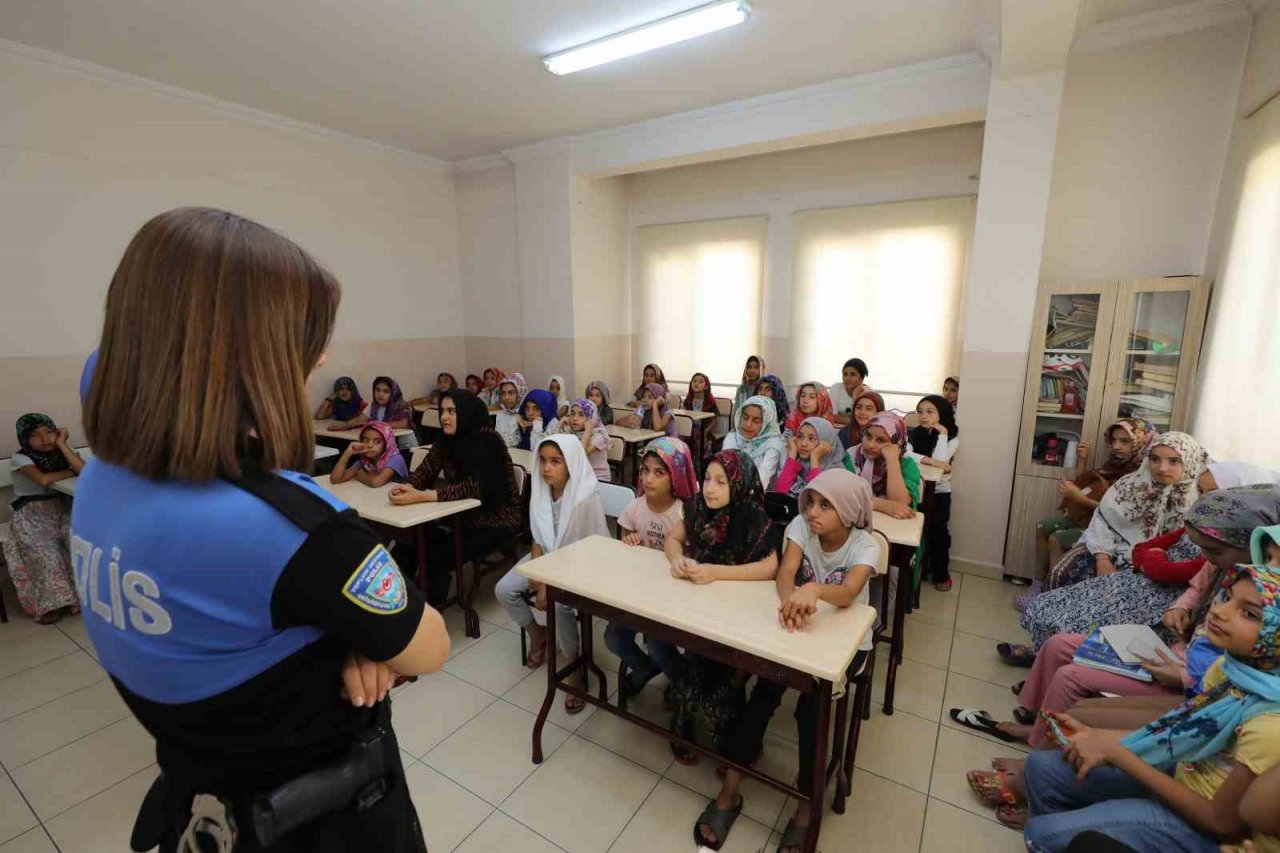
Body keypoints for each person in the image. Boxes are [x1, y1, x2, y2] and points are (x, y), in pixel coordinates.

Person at [72, 207, 449, 851]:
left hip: (198, 791)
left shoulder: (101, 479)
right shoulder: (290, 529)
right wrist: (359, 637)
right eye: (303, 339)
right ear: (249, 356)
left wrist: (343, 632)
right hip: (312, 820)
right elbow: (429, 646)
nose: (321, 356)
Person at [1018, 558, 1280, 853]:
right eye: (1227, 597)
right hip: (1183, 773)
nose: (1219, 611)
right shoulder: (1229, 669)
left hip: (1203, 828)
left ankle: (1072, 835)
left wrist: (1116, 751)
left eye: (1249, 613)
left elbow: (1221, 823)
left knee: (1041, 833)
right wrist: (1102, 738)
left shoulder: (1270, 724)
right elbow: (1185, 733)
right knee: (1041, 768)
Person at [693, 469, 878, 852]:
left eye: (825, 505)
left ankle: (806, 807)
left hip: (844, 643)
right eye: (811, 502)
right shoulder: (801, 527)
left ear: (849, 511)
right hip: (796, 626)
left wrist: (813, 591)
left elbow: (849, 592)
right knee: (762, 694)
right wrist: (791, 601)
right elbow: (786, 572)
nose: (813, 511)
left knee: (812, 712)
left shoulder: (865, 545)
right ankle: (730, 790)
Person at [665, 450, 778, 769]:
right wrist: (677, 559)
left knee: (721, 691)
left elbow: (769, 568)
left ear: (739, 484)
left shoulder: (754, 516)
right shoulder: (698, 508)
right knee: (688, 681)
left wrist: (718, 572)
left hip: (740, 617)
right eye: (706, 479)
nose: (710, 489)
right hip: (701, 609)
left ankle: (732, 749)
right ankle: (684, 724)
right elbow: (672, 541)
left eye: (721, 482)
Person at [494, 435, 608, 713]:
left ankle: (574, 666)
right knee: (504, 589)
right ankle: (538, 634)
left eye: (555, 462)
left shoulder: (585, 497)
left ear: (571, 464)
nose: (546, 468)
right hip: (548, 557)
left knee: (559, 605)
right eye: (543, 460)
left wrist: (547, 585)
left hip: (581, 564)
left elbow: (588, 553)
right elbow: (538, 536)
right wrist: (537, 575)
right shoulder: (542, 490)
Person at [1034, 432, 1209, 598]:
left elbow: (1185, 551)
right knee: (1062, 572)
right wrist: (1102, 559)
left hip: (1158, 566)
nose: (1162, 468)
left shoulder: (1198, 499)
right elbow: (1103, 519)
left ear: (1190, 461)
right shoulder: (1130, 484)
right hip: (1110, 548)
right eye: (1155, 459)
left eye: (1174, 461)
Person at [389, 390, 522, 605]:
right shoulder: (445, 439)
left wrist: (424, 496)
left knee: (435, 556)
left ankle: (427, 613)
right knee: (407, 545)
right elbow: (426, 470)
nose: (444, 417)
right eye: (442, 411)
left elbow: (475, 488)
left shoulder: (489, 440)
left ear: (466, 412)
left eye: (452, 411)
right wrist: (407, 487)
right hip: (461, 515)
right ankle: (397, 605)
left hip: (495, 520)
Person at [606, 437, 697, 695]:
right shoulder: (635, 507)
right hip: (638, 591)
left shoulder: (684, 513)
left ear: (676, 475)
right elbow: (625, 540)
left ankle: (679, 682)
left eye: (659, 472)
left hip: (671, 596)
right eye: (645, 470)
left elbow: (692, 555)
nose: (648, 479)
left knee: (657, 645)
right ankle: (645, 668)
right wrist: (630, 540)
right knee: (613, 638)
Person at [1033, 418, 1156, 588]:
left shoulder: (1141, 477)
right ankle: (1037, 585)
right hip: (1086, 517)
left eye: (1124, 441)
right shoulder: (1112, 465)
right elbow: (1088, 486)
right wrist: (1082, 460)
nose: (1116, 446)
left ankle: (1053, 592)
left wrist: (1080, 498)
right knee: (1042, 527)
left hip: (1108, 529)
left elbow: (1117, 515)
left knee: (1056, 539)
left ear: (1141, 442)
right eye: (1113, 440)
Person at [3, 414, 84, 623]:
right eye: (35, 435)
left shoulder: (62, 452)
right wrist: (70, 470)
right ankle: (51, 604)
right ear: (24, 438)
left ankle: (82, 597)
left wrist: (63, 444)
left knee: (77, 542)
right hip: (32, 513)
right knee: (45, 554)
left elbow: (84, 471)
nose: (45, 439)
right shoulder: (20, 458)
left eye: (49, 432)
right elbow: (43, 479)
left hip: (62, 508)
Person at [909, 395, 960, 591]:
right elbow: (907, 454)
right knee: (915, 530)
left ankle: (941, 574)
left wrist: (943, 433)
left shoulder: (952, 439)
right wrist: (932, 462)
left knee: (938, 532)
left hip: (939, 492)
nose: (923, 416)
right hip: (916, 488)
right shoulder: (913, 433)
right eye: (920, 411)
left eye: (929, 412)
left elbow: (942, 460)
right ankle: (916, 570)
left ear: (942, 413)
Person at [847, 411, 920, 519]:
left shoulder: (906, 465)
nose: (871, 445)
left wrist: (892, 460)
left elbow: (900, 504)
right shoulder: (852, 456)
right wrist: (883, 505)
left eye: (881, 440)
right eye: (868, 436)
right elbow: (845, 496)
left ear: (897, 443)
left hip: (894, 525)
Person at [721, 396, 786, 490]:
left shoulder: (774, 444)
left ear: (766, 423)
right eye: (745, 418)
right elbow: (724, 470)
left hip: (761, 495)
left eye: (756, 421)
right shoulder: (733, 438)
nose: (748, 424)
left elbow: (761, 480)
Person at [774, 417, 846, 499]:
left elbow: (816, 498)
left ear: (827, 443)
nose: (803, 443)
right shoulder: (798, 463)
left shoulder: (837, 474)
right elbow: (780, 493)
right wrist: (793, 453)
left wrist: (815, 458)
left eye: (811, 439)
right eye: (800, 437)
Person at [329, 422, 409, 487]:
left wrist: (359, 474)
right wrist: (347, 453)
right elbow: (335, 480)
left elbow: (376, 483)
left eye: (377, 442)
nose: (370, 445)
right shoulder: (364, 461)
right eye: (366, 440)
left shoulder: (396, 459)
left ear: (387, 444)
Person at [558, 398, 612, 483]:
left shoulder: (599, 436)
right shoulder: (572, 432)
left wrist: (587, 431)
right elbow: (554, 448)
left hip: (598, 478)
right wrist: (559, 425)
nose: (575, 418)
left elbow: (580, 455)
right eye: (572, 414)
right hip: (579, 475)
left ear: (590, 418)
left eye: (581, 415)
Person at [683, 372, 718, 460]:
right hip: (690, 428)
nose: (696, 383)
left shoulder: (709, 401)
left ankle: (702, 463)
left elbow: (714, 420)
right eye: (694, 381)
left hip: (703, 429)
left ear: (706, 386)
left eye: (700, 381)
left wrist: (706, 431)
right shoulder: (688, 400)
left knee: (701, 439)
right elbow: (684, 415)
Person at [829, 358, 870, 426]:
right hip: (838, 428)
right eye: (845, 374)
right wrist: (855, 421)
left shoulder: (869, 393)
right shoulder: (836, 388)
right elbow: (831, 415)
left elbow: (867, 420)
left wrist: (855, 397)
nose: (847, 378)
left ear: (861, 378)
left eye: (852, 374)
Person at [493, 372, 528, 448]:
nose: (506, 397)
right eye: (503, 393)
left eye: (511, 393)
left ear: (520, 393)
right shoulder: (500, 414)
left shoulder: (527, 414)